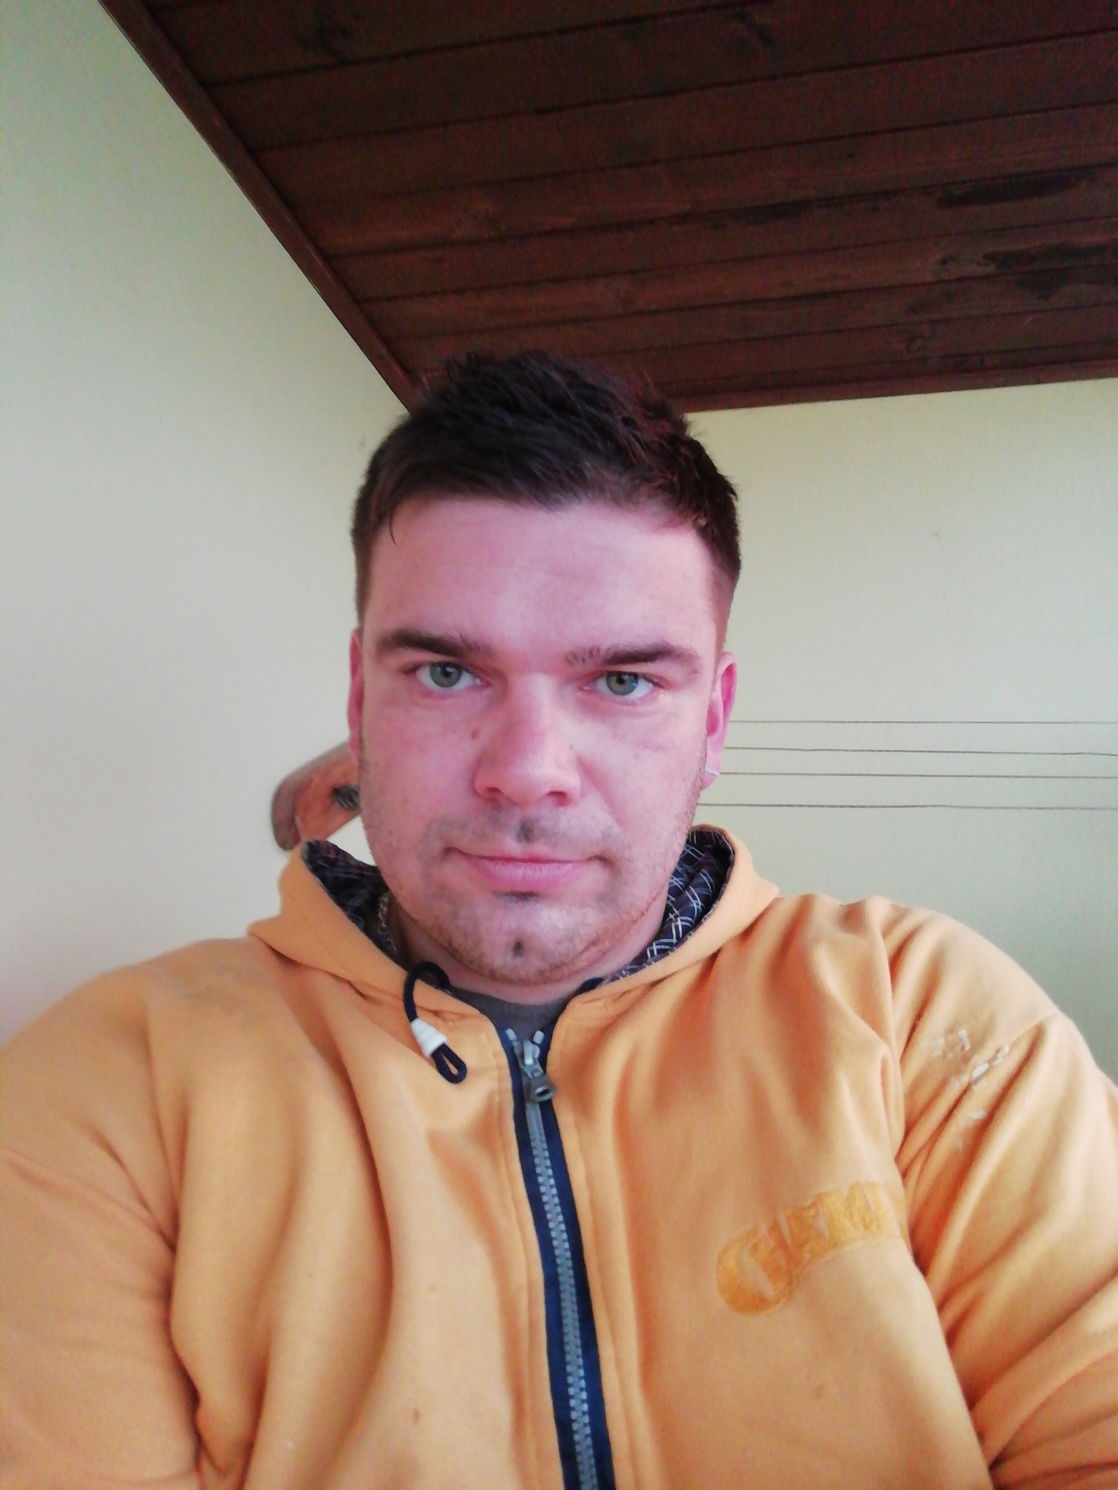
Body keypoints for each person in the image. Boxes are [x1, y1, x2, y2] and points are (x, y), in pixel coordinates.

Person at [1, 353, 1115, 1490]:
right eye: (446, 672)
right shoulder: (109, 1088)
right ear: (360, 699)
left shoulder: (928, 1021)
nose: (528, 770)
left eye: (622, 681)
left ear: (713, 720)